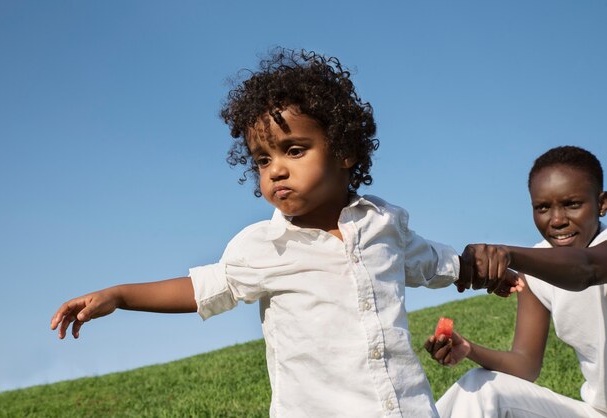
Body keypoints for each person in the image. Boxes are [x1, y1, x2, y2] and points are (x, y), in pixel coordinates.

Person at [51, 48, 520, 417]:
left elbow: (439, 264)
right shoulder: (262, 247)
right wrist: (119, 294)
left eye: (294, 150)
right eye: (263, 160)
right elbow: (204, 288)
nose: (276, 170)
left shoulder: (383, 224)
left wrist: (485, 273)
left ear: (345, 152)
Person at [425, 145, 607, 418]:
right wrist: (469, 349)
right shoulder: (535, 273)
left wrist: (507, 254)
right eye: (543, 207)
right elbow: (526, 365)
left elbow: (586, 269)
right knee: (480, 386)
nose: (556, 220)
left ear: (602, 203)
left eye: (572, 204)